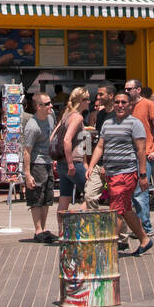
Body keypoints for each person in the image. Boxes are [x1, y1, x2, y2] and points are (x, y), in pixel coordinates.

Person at [84, 88, 153, 255]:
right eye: (117, 102)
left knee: (115, 210)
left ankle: (108, 246)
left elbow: (141, 151)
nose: (120, 105)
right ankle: (145, 239)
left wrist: (143, 175)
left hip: (127, 173)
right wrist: (92, 165)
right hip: (111, 173)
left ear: (130, 105)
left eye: (124, 103)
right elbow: (101, 146)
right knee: (125, 210)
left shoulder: (135, 123)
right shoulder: (107, 123)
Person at [53, 88, 91, 237]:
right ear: (81, 101)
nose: (89, 102)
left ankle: (62, 231)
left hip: (62, 163)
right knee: (92, 194)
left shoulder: (65, 116)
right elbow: (66, 140)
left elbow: (53, 138)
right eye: (87, 100)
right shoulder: (77, 118)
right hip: (73, 163)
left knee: (64, 197)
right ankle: (75, 226)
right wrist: (70, 163)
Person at [127, 81, 154, 242]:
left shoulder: (148, 104)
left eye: (130, 89)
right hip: (129, 152)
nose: (127, 91)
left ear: (138, 90)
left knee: (140, 191)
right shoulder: (126, 106)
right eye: (125, 89)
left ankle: (145, 227)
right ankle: (139, 226)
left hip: (145, 152)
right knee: (132, 192)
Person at [21, 92, 56, 242]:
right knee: (37, 197)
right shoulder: (32, 127)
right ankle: (38, 230)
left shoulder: (50, 117)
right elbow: (26, 151)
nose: (51, 106)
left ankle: (44, 228)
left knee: (47, 197)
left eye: (50, 103)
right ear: (38, 106)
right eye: (47, 104)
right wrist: (27, 175)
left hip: (48, 162)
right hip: (37, 163)